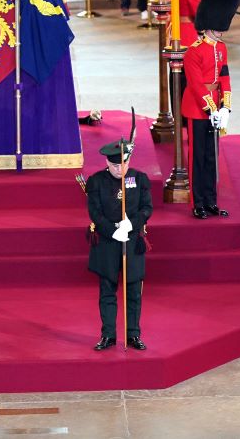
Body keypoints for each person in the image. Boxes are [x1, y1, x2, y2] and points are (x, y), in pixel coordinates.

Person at [87, 134, 152, 352]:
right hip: (107, 242)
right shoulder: (96, 182)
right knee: (107, 291)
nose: (119, 169)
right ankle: (108, 335)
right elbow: (94, 212)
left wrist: (130, 225)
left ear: (129, 161)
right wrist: (113, 231)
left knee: (133, 291)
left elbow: (146, 209)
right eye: (114, 165)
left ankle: (133, 334)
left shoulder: (139, 179)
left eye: (123, 164)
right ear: (107, 162)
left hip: (132, 242)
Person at [182, 0, 239, 219]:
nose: (222, 31)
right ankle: (198, 203)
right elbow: (195, 85)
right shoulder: (193, 51)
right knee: (198, 158)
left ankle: (211, 201)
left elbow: (224, 76)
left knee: (211, 157)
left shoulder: (221, 48)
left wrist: (226, 106)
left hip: (214, 108)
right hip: (198, 109)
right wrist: (212, 108)